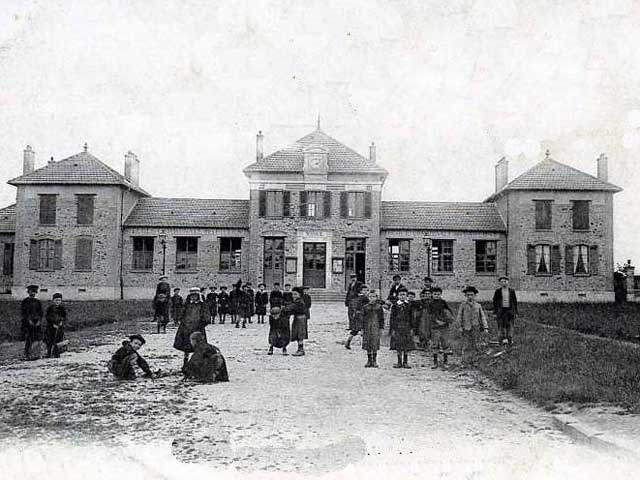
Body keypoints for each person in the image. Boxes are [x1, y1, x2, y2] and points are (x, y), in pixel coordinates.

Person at [173, 287, 209, 368]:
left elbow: (206, 317)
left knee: (199, 346)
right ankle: (185, 363)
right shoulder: (187, 304)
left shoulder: (202, 305)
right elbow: (182, 313)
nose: (193, 297)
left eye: (195, 295)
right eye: (192, 295)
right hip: (186, 328)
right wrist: (181, 320)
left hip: (197, 329)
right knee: (186, 346)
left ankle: (198, 363)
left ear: (198, 296)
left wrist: (201, 324)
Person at [457, 286, 489, 366]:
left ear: (475, 295)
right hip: (466, 327)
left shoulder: (478, 305)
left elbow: (482, 316)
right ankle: (465, 361)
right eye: (468, 295)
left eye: (472, 295)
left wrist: (485, 327)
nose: (470, 296)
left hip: (476, 327)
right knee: (466, 345)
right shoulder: (463, 305)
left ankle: (475, 361)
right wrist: (459, 326)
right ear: (465, 296)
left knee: (476, 344)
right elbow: (459, 316)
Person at [425, 287, 454, 369]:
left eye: (438, 294)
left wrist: (446, 321)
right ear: (432, 295)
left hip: (444, 327)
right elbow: (429, 315)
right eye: (435, 294)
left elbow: (449, 312)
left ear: (441, 294)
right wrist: (436, 321)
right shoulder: (430, 303)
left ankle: (445, 362)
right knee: (435, 344)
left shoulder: (443, 302)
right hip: (435, 327)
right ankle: (435, 362)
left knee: (445, 344)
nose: (437, 296)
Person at [389, 287, 415, 368]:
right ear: (398, 296)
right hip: (398, 327)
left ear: (407, 296)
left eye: (404, 295)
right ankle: (399, 361)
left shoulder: (409, 305)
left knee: (406, 345)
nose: (402, 296)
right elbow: (392, 318)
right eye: (400, 295)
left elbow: (412, 317)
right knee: (399, 345)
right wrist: (392, 329)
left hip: (407, 327)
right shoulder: (395, 306)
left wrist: (412, 328)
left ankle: (405, 362)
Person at [361, 289, 385, 368]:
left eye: (374, 297)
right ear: (368, 297)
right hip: (367, 327)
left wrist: (381, 328)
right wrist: (362, 329)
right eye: (370, 296)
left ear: (376, 298)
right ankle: (369, 360)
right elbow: (362, 318)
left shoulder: (379, 307)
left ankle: (374, 360)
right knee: (368, 343)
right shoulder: (365, 307)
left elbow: (381, 319)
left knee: (375, 343)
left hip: (376, 327)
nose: (372, 298)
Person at [492, 276, 518, 346]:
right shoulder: (498, 291)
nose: (504, 283)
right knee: (500, 326)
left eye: (505, 281)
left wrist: (515, 312)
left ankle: (510, 341)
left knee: (510, 326)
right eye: (502, 282)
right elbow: (494, 302)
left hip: (509, 311)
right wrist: (495, 312)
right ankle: (501, 341)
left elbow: (515, 302)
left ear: (508, 282)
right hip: (501, 311)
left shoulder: (511, 291)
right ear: (500, 283)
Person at [21, 285, 43, 359]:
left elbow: (40, 312)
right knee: (29, 338)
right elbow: (24, 313)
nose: (32, 293)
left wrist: (39, 321)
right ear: (28, 292)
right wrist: (29, 320)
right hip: (28, 323)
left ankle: (36, 353)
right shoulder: (25, 302)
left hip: (37, 322)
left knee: (37, 338)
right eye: (31, 292)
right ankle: (27, 354)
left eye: (34, 292)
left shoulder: (38, 302)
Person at [345, 284, 369, 350]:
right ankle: (365, 345)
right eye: (364, 290)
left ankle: (348, 342)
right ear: (360, 291)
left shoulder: (357, 298)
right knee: (364, 329)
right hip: (362, 316)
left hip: (357, 315)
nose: (365, 292)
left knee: (355, 330)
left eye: (366, 290)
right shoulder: (365, 298)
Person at [44, 292, 66, 358]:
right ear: (53, 300)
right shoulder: (50, 308)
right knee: (50, 340)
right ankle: (49, 352)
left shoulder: (62, 308)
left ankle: (56, 352)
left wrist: (61, 322)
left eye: (59, 300)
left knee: (58, 339)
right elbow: (48, 317)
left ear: (61, 301)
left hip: (59, 327)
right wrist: (53, 324)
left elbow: (64, 316)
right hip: (51, 327)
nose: (57, 302)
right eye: (56, 300)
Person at [288, 287, 308, 356]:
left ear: (300, 295)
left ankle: (301, 350)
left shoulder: (299, 302)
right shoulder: (296, 301)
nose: (293, 296)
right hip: (297, 318)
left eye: (296, 294)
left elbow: (291, 308)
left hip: (301, 319)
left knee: (300, 334)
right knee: (297, 333)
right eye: (293, 294)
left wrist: (284, 309)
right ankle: (299, 349)